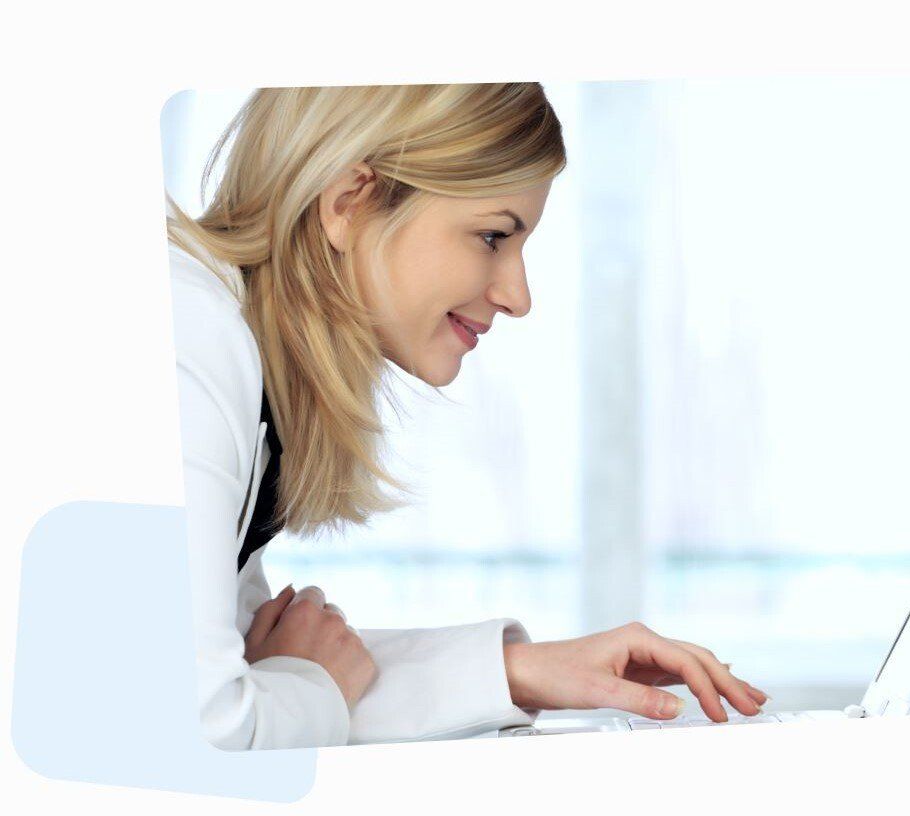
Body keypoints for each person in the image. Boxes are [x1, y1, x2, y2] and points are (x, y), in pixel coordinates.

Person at [167, 83, 768, 750]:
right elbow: (200, 727)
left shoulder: (229, 348)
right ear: (348, 201)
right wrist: (303, 679)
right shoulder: (189, 342)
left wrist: (518, 672)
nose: (518, 295)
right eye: (491, 236)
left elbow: (260, 674)